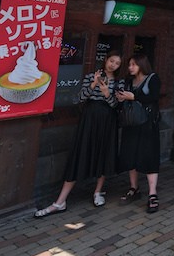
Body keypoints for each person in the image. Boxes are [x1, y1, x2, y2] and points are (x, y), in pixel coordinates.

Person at [35, 50, 123, 217]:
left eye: (117, 63)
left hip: (107, 121)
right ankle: (60, 201)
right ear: (105, 60)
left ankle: (98, 191)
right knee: (80, 153)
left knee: (103, 153)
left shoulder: (119, 82)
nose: (113, 65)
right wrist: (93, 84)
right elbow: (80, 98)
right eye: (111, 61)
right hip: (89, 119)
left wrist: (106, 94)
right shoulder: (92, 76)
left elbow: (116, 106)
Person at [116, 53, 161, 213]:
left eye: (133, 64)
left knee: (149, 156)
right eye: (129, 65)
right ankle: (134, 188)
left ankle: (152, 193)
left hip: (148, 124)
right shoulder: (129, 81)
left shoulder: (153, 78)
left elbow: (154, 97)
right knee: (130, 155)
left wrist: (134, 96)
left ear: (142, 64)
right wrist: (122, 98)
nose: (130, 68)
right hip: (131, 123)